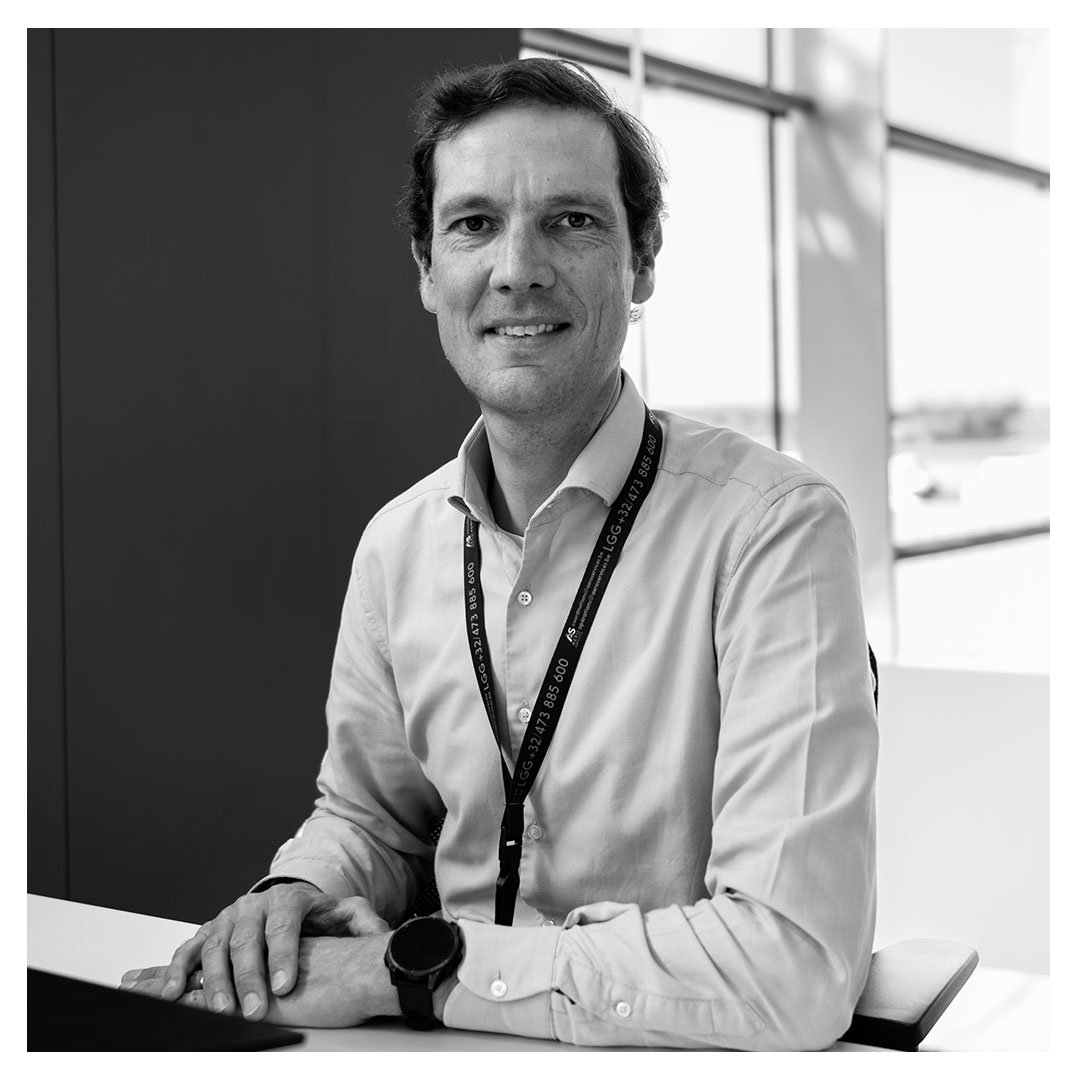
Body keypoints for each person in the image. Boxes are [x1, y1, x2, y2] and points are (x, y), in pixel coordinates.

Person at [122, 57, 878, 1050]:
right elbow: (376, 821)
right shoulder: (398, 546)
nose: (518, 268)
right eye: (475, 224)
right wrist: (296, 894)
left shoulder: (775, 530)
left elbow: (790, 966)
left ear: (643, 262)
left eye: (572, 220)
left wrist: (412, 969)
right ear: (427, 270)